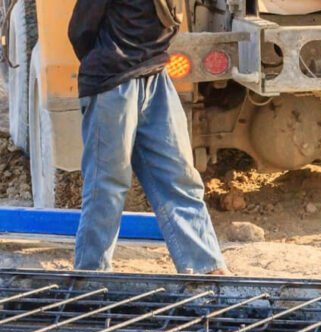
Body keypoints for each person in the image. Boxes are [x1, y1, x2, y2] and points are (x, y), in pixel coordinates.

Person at [68, 0, 228, 274]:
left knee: (179, 177)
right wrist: (113, 58)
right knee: (107, 184)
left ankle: (206, 269)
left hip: (155, 75)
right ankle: (91, 274)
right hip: (112, 81)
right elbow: (81, 31)